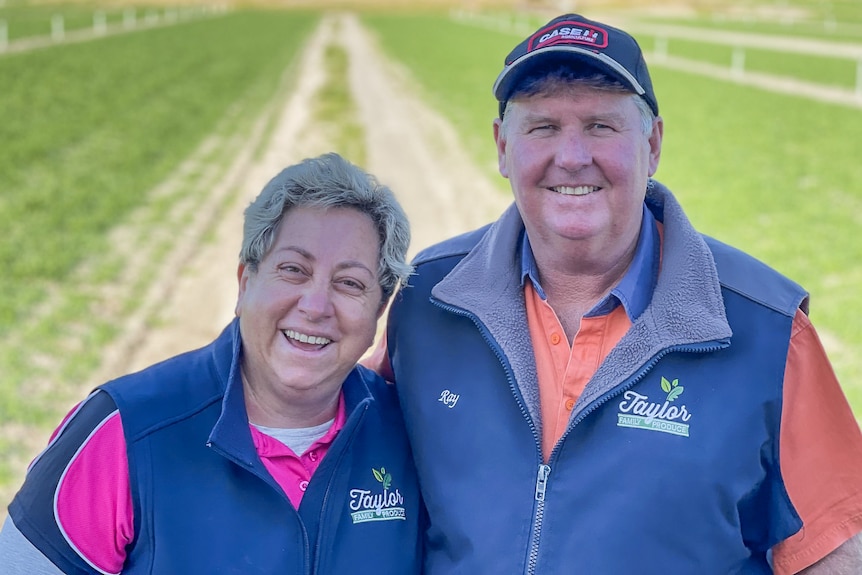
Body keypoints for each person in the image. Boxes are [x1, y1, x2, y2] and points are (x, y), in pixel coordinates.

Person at [371, 13, 862, 574]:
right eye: (543, 127)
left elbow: (836, 552)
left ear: (652, 144)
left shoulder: (767, 329)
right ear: (503, 146)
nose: (573, 156)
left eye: (602, 126)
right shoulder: (428, 300)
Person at [0, 153, 423, 574]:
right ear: (244, 283)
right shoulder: (125, 430)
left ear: (378, 311)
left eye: (349, 283)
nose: (315, 306)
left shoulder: (414, 435)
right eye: (293, 269)